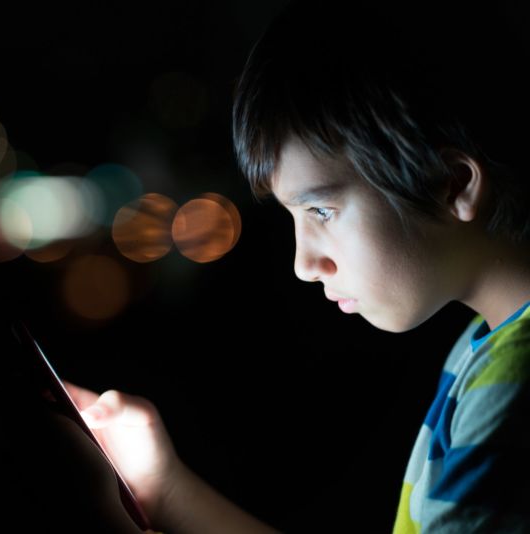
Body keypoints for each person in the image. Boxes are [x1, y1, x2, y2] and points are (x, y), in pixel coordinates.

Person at [58, 0, 530, 532]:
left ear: (454, 185)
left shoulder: (511, 384)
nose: (305, 264)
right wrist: (161, 486)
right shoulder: (482, 346)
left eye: (322, 210)